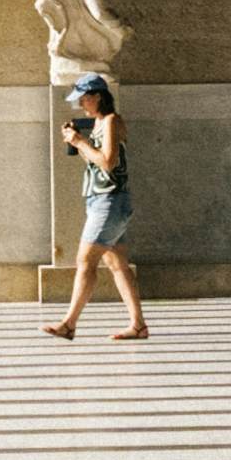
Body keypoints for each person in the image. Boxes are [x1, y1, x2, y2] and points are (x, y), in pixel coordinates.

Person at [45, 72, 147, 341]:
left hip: (109, 201)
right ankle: (138, 325)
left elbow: (108, 162)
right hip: (103, 200)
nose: (80, 105)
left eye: (84, 99)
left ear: (97, 97)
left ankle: (69, 323)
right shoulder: (100, 124)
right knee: (117, 263)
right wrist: (77, 142)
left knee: (85, 261)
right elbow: (97, 165)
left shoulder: (112, 121)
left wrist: (80, 142)